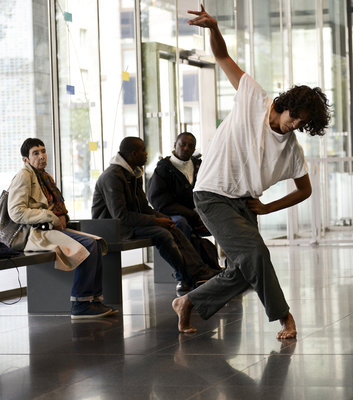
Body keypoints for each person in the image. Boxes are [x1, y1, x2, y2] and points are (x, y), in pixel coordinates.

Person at [172, 5, 331, 339]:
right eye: (295, 117)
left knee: (245, 270)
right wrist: (214, 29)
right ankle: (285, 318)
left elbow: (305, 190)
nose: (295, 126)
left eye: (303, 124)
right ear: (286, 104)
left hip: (245, 203)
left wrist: (268, 207)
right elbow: (222, 58)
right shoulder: (254, 99)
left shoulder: (292, 150)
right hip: (213, 194)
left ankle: (188, 302)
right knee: (256, 254)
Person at [92, 137, 218, 292]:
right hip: (112, 228)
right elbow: (121, 216)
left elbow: (144, 208)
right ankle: (190, 275)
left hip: (127, 225)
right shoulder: (113, 176)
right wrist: (156, 222)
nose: (146, 154)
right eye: (143, 150)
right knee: (162, 233)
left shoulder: (132, 174)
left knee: (174, 226)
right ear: (132, 154)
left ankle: (199, 272)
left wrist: (162, 218)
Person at [7, 138, 115, 319]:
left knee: (96, 243)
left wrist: (61, 217)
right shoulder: (24, 176)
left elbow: (55, 206)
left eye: (43, 151)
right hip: (34, 234)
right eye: (36, 153)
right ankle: (80, 304)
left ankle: (94, 300)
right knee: (88, 245)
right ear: (25, 159)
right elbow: (16, 212)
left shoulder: (44, 177)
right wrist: (50, 216)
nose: (42, 156)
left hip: (49, 230)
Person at [147, 132, 220, 291]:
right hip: (172, 214)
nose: (186, 148)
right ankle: (186, 275)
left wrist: (203, 214)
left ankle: (226, 270)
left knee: (224, 219)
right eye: (182, 144)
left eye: (190, 146)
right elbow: (161, 203)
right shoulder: (164, 169)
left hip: (197, 214)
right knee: (180, 223)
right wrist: (193, 215)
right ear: (175, 145)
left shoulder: (199, 166)